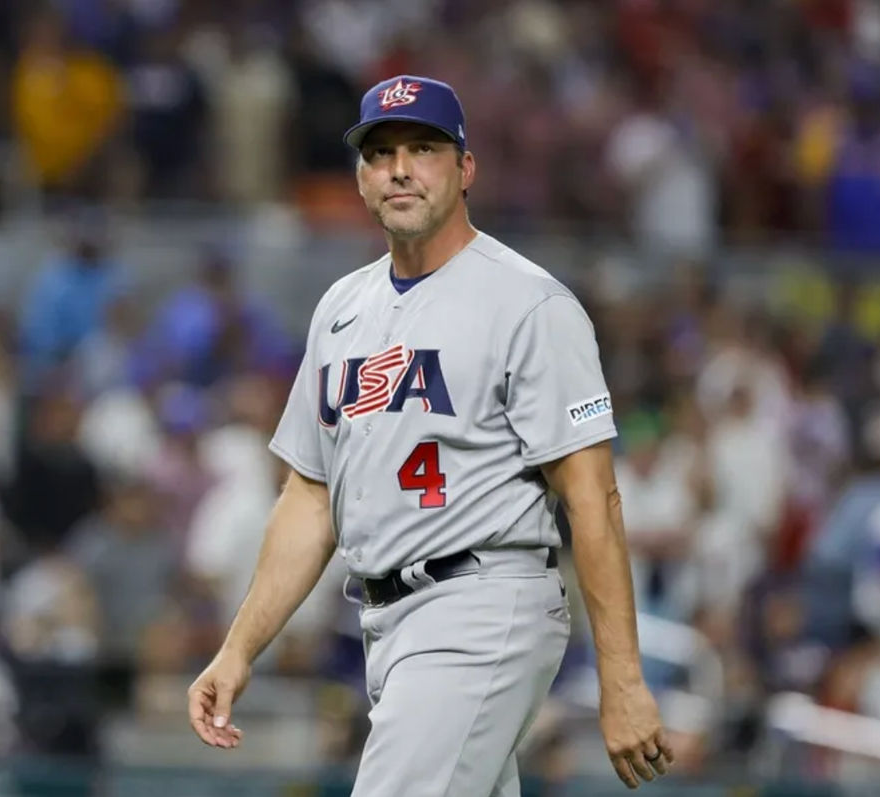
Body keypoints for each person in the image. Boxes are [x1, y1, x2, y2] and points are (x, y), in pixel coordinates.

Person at [186, 75, 673, 795]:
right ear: (360, 178)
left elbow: (592, 496)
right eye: (380, 153)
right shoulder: (342, 309)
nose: (401, 168)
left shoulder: (529, 303)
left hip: (482, 603)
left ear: (466, 168)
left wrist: (622, 678)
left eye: (423, 148)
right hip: (387, 625)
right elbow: (310, 499)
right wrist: (238, 649)